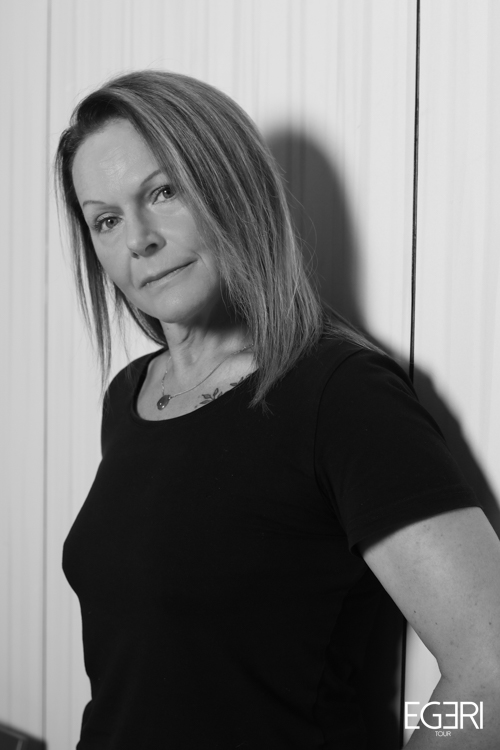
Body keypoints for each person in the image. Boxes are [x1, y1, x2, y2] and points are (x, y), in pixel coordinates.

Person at [56, 70, 500, 750]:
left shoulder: (341, 393)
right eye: (106, 220)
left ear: (232, 188)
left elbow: (490, 674)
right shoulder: (130, 396)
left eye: (164, 191)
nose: (138, 238)